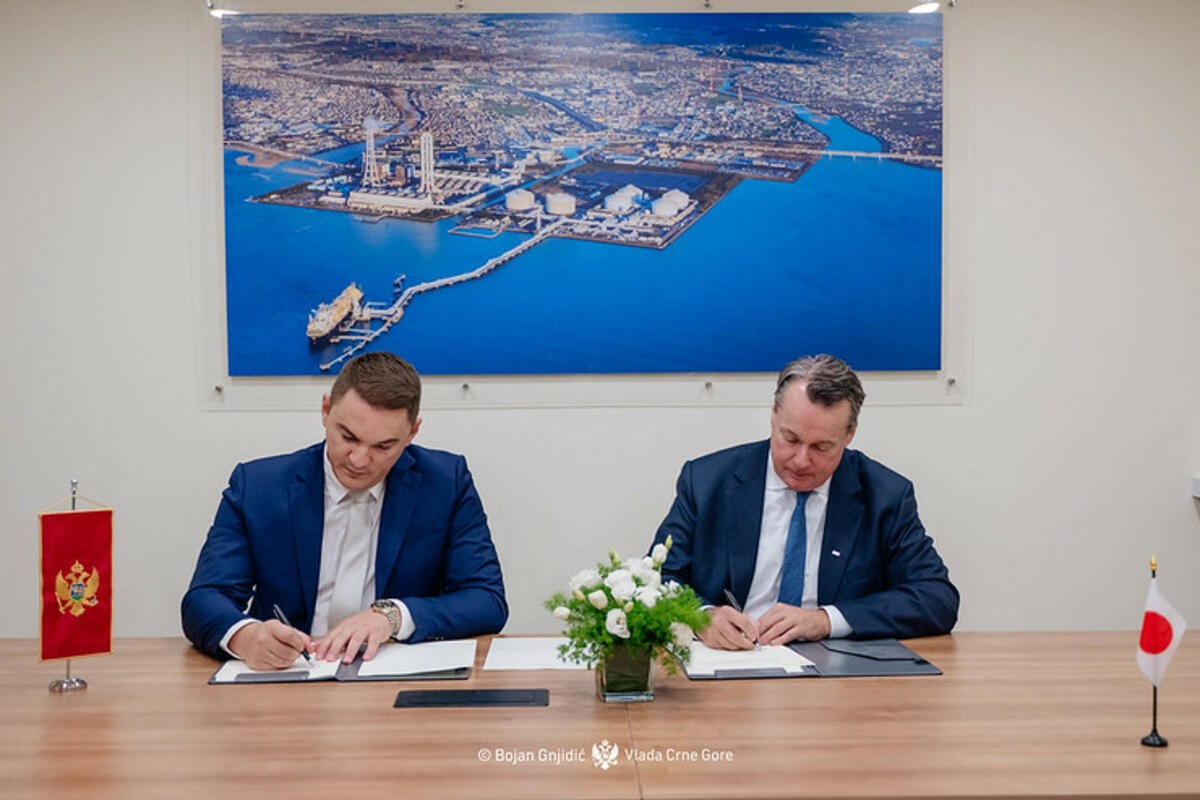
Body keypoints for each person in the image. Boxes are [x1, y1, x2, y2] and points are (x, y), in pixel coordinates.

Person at [182, 352, 507, 669]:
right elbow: (205, 598)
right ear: (325, 410)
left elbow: (486, 599)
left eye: (383, 446)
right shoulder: (257, 487)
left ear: (412, 433)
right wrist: (246, 636)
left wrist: (392, 617)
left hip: (395, 677)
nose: (360, 460)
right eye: (348, 437)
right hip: (288, 675)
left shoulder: (446, 484)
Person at [650, 354, 958, 650]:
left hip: (840, 670)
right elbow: (657, 579)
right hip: (731, 659)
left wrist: (825, 620)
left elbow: (936, 597)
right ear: (774, 415)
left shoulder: (885, 495)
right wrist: (701, 616)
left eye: (821, 447)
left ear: (849, 434)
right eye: (791, 439)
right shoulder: (707, 482)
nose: (800, 460)